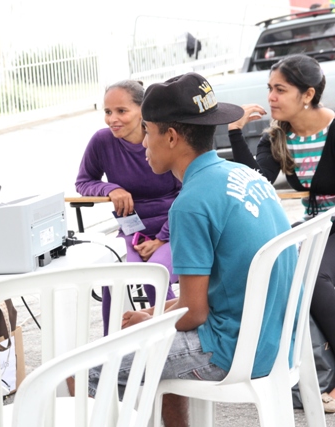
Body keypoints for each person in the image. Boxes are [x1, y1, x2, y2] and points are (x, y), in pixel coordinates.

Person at [88, 72, 297, 427]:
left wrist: (152, 321)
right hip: (276, 339)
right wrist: (153, 314)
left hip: (230, 349)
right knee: (157, 345)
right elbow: (196, 301)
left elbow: (194, 314)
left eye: (148, 131)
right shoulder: (245, 175)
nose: (144, 143)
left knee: (85, 371)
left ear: (171, 137)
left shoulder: (190, 204)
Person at [228, 53, 335, 411]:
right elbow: (255, 182)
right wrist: (234, 132)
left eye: (280, 89)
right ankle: (299, 370)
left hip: (327, 229)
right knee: (273, 269)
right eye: (269, 88)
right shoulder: (278, 137)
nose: (271, 97)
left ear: (308, 94)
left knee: (314, 275)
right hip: (316, 226)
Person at [75, 80, 180, 335]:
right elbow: (83, 182)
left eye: (121, 111)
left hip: (174, 229)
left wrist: (161, 239)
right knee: (113, 274)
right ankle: (111, 343)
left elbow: (188, 195)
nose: (112, 119)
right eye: (107, 112)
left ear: (142, 110)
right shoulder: (102, 141)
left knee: (154, 274)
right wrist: (110, 189)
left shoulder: (164, 137)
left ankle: (169, 339)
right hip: (132, 231)